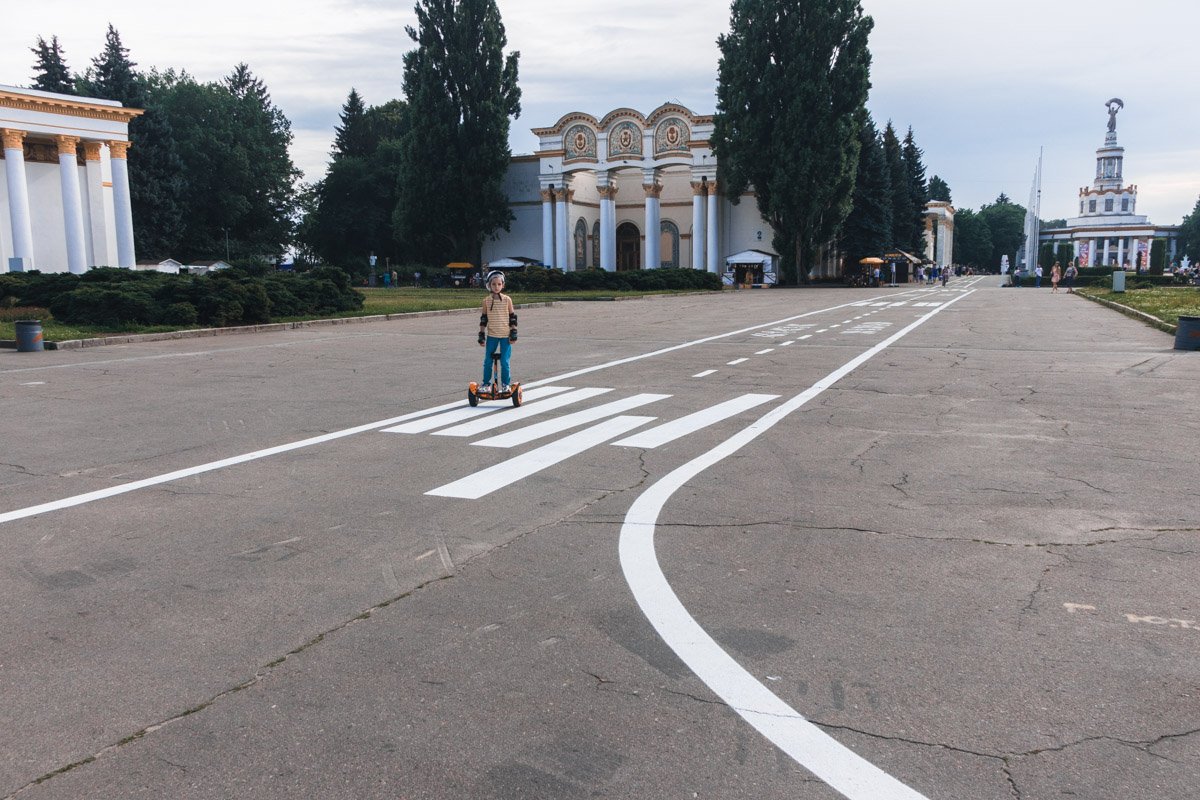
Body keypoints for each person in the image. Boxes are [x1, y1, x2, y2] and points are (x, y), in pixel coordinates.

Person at [477, 270, 518, 391]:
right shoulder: (486, 301)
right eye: (493, 284)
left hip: (505, 336)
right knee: (488, 361)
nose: (496, 287)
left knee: (504, 362)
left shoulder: (507, 300)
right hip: (492, 336)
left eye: (499, 284)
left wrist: (513, 332)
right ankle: (486, 384)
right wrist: (481, 334)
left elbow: (512, 317)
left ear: (503, 285)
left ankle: (506, 384)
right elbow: (484, 319)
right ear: (489, 285)